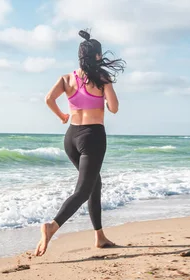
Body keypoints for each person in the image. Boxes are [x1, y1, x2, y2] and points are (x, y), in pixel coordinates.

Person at [35, 29, 125, 257]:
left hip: (71, 138)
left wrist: (62, 116)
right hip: (93, 137)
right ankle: (51, 226)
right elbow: (114, 109)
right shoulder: (102, 79)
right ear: (96, 56)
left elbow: (48, 99)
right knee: (84, 190)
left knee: (95, 184)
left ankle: (100, 237)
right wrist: (107, 87)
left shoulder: (66, 78)